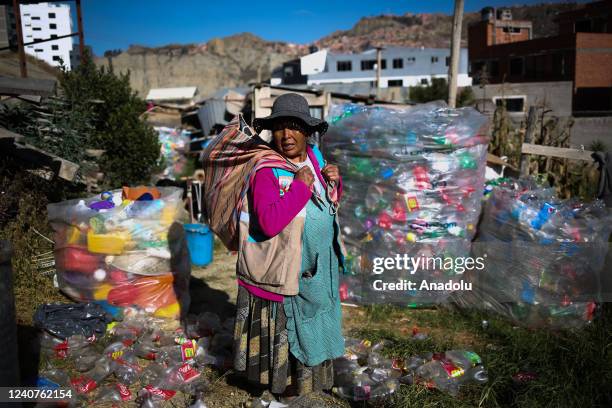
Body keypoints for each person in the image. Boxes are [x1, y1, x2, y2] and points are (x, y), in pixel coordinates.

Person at [232, 93, 346, 399]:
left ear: (306, 131)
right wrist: (299, 187)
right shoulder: (266, 169)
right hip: (283, 274)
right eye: (280, 127)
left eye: (295, 127)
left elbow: (325, 204)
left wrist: (334, 183)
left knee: (317, 319)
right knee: (292, 329)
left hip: (317, 269)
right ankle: (284, 387)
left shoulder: (314, 156)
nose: (287, 135)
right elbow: (269, 222)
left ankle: (312, 382)